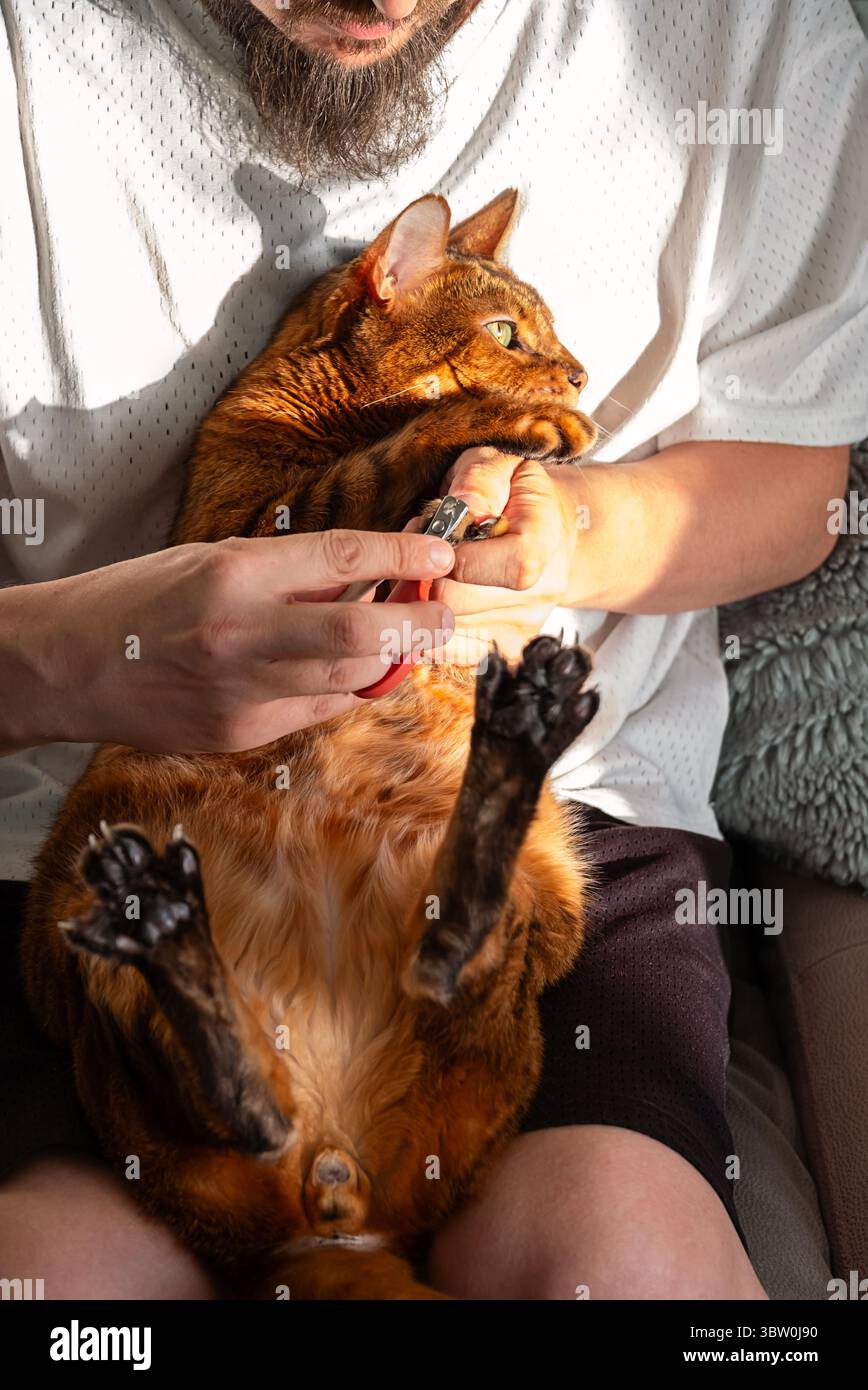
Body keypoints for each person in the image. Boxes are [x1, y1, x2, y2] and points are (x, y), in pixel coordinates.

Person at [0, 0, 864, 1300]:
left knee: (620, 1252)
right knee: (58, 1276)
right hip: (107, 808)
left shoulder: (746, 34)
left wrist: (578, 534)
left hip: (550, 803)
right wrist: (67, 657)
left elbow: (804, 478)